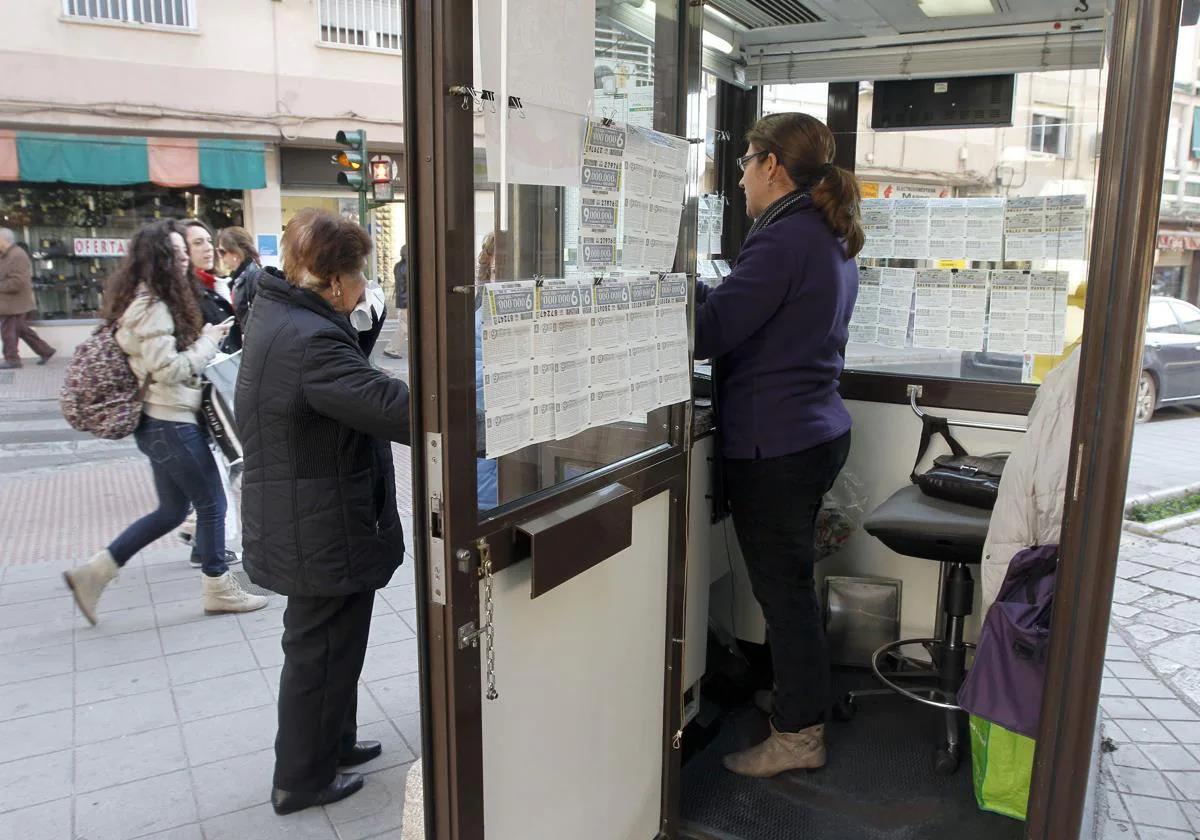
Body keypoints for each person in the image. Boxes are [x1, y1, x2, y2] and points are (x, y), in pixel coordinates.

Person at [693, 112, 863, 778]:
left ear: (771, 166)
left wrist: (668, 297)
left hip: (778, 445)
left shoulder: (782, 239)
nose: (737, 180)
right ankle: (803, 695)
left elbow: (710, 334)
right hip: (816, 430)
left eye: (743, 164)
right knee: (793, 585)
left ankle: (798, 735)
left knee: (785, 594)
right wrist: (709, 294)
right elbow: (752, 309)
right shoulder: (824, 234)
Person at [235, 208, 411, 815]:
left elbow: (339, 381)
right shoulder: (310, 340)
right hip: (317, 521)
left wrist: (364, 327)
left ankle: (332, 744)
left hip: (313, 512)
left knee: (337, 644)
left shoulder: (285, 311)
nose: (366, 286)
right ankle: (301, 780)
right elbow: (388, 406)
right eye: (361, 276)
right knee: (318, 650)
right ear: (336, 282)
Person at [62, 220, 270, 624]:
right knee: (212, 502)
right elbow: (168, 368)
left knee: (173, 511)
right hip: (169, 421)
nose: (183, 260)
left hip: (161, 422)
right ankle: (218, 587)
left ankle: (93, 573)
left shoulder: (150, 300)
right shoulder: (152, 305)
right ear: (158, 259)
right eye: (175, 254)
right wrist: (208, 342)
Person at [0, 228, 55, 369]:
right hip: (10, 302)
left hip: (14, 303)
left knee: (9, 332)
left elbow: (18, 282)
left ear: (4, 239)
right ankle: (46, 351)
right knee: (22, 330)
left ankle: (12, 360)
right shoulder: (6, 254)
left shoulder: (17, 255)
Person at [216, 226, 265, 344]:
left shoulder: (254, 277)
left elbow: (263, 318)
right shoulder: (239, 278)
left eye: (222, 252)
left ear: (235, 251)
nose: (220, 257)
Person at [382, 244, 408, 359]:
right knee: (404, 327)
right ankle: (391, 349)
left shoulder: (397, 266)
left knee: (405, 326)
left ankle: (392, 348)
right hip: (407, 301)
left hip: (402, 300)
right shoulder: (409, 267)